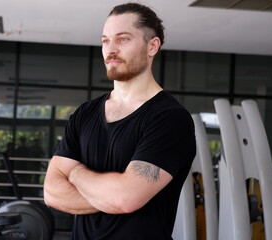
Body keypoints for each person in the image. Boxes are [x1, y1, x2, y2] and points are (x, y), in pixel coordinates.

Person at [43, 3, 196, 239]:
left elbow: (125, 199)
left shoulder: (170, 119)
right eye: (105, 40)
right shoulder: (85, 113)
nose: (111, 49)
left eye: (122, 39)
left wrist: (74, 173)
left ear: (152, 46)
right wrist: (110, 196)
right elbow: (52, 193)